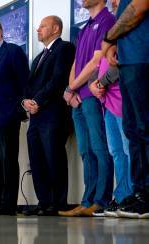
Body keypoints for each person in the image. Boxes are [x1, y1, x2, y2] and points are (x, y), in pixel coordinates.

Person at [61, 0, 115, 217]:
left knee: (99, 148)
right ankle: (87, 201)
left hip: (92, 95)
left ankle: (101, 201)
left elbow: (97, 61)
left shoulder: (107, 20)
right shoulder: (84, 28)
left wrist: (72, 87)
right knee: (85, 150)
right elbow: (76, 63)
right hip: (78, 98)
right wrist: (70, 89)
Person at [22, 16, 76, 216]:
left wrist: (37, 101)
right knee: (37, 159)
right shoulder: (38, 57)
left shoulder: (65, 48)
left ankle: (58, 202)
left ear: (55, 28)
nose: (38, 29)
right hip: (35, 117)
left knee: (54, 157)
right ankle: (44, 202)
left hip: (53, 113)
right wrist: (25, 101)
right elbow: (28, 86)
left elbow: (58, 79)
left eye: (43, 26)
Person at [100, 0, 148, 218]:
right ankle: (141, 193)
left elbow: (139, 7)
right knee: (133, 130)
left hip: (142, 59)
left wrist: (109, 37)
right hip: (129, 62)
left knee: (143, 128)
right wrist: (116, 45)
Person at [0, 18, 30, 215]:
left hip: (7, 114)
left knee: (7, 159)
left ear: (0, 32)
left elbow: (23, 81)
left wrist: (19, 107)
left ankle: (7, 203)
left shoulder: (12, 51)